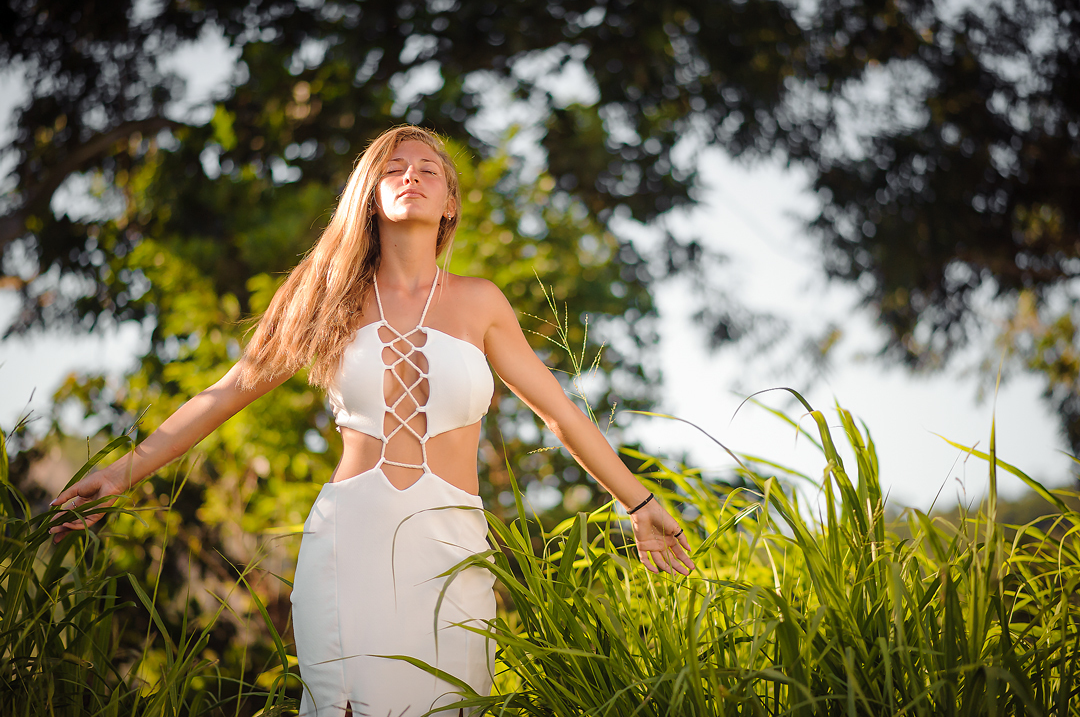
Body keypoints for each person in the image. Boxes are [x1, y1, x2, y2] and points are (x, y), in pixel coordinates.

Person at [49, 125, 695, 716]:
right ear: (369, 196)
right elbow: (227, 392)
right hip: (347, 543)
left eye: (428, 170)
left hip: (452, 554)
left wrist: (637, 500)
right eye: (393, 168)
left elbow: (558, 412)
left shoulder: (480, 303)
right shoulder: (323, 296)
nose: (410, 174)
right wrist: (119, 474)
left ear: (449, 205)